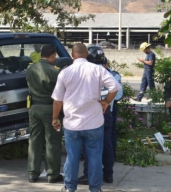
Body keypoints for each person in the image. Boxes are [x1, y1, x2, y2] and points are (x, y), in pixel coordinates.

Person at [51, 43, 121, 192]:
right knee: (95, 156)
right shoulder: (98, 70)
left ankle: (70, 188)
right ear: (87, 55)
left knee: (72, 157)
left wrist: (54, 118)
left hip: (72, 124)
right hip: (94, 122)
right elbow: (115, 87)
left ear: (72, 55)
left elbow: (57, 100)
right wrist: (106, 102)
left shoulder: (65, 72)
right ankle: (95, 188)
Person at [79, 51, 123, 186]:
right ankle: (108, 174)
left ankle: (89, 174)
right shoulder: (113, 75)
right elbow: (118, 94)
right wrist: (106, 101)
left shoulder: (88, 75)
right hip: (107, 112)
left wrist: (100, 102)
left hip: (93, 114)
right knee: (107, 145)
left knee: (90, 145)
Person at [26, 43, 63, 184]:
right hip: (50, 109)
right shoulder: (55, 72)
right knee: (52, 141)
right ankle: (52, 174)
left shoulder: (30, 69)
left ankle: (32, 173)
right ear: (53, 55)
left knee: (34, 140)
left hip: (34, 108)